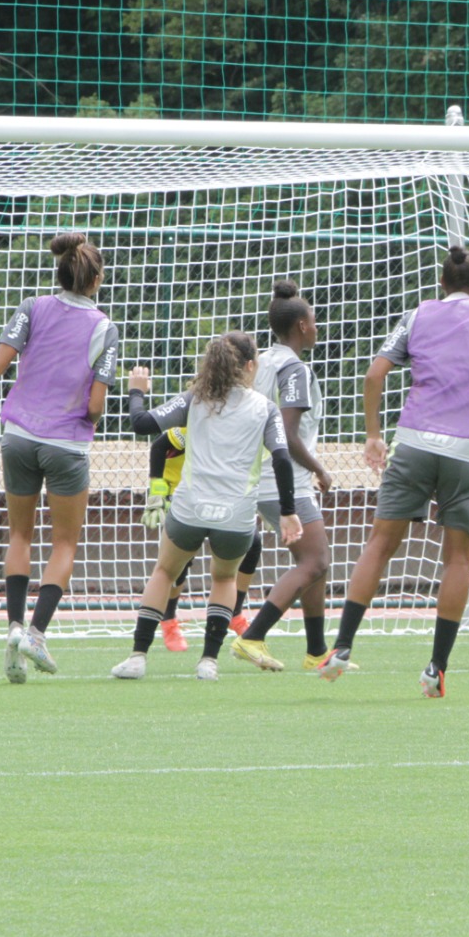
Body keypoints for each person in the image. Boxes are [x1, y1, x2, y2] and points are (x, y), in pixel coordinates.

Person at [316, 245, 469, 698]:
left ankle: (342, 648)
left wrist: (373, 435)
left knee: (380, 545)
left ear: (441, 284)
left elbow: (374, 376)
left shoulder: (416, 316)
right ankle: (435, 670)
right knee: (458, 559)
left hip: (413, 442)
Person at [0, 233, 118, 684]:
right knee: (64, 542)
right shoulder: (105, 327)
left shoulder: (31, 306)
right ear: (96, 279)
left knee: (19, 534)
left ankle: (12, 629)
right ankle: (37, 633)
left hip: (18, 436)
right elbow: (95, 406)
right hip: (66, 443)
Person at [111, 333, 302, 681]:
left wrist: (137, 390)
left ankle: (138, 657)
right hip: (236, 515)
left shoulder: (194, 399)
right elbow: (283, 459)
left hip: (190, 508)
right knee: (225, 577)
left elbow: (141, 425)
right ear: (248, 366)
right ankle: (208, 663)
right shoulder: (265, 408)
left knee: (165, 572)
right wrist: (288, 511)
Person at [230, 281, 338, 672]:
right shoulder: (293, 368)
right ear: (303, 326)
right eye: (314, 320)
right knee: (316, 561)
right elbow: (288, 434)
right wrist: (320, 468)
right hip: (284, 480)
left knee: (311, 561)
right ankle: (252, 636)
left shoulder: (264, 362)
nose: (317, 326)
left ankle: (316, 652)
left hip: (262, 477)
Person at [139, 426, 260, 651]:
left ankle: (235, 612)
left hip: (216, 497)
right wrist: (157, 489)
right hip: (181, 497)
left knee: (253, 542)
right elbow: (158, 444)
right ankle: (168, 619)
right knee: (178, 563)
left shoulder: (242, 424)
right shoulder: (194, 423)